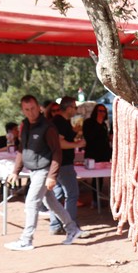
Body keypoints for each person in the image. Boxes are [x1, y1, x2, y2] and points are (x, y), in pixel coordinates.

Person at [4, 95, 83, 251]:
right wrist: (15, 171)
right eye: (27, 109)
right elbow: (22, 149)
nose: (31, 112)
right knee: (51, 202)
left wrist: (52, 176)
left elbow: (57, 152)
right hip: (33, 170)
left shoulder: (48, 126)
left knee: (32, 201)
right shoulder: (25, 125)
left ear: (38, 107)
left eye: (33, 108)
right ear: (23, 110)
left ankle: (26, 240)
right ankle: (73, 229)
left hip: (44, 169)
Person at [50, 96, 86, 236]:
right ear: (69, 107)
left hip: (57, 163)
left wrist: (76, 133)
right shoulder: (60, 122)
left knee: (57, 195)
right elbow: (59, 143)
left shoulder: (61, 122)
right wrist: (77, 144)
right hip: (63, 163)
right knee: (72, 194)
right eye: (75, 107)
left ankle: (56, 225)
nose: (76, 110)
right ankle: (71, 226)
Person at [83, 104, 112, 207]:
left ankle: (102, 198)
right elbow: (89, 137)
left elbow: (105, 139)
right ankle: (95, 200)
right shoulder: (88, 123)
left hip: (104, 154)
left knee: (103, 178)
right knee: (96, 178)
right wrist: (98, 123)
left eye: (104, 111)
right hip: (93, 154)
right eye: (100, 111)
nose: (102, 113)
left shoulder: (104, 124)